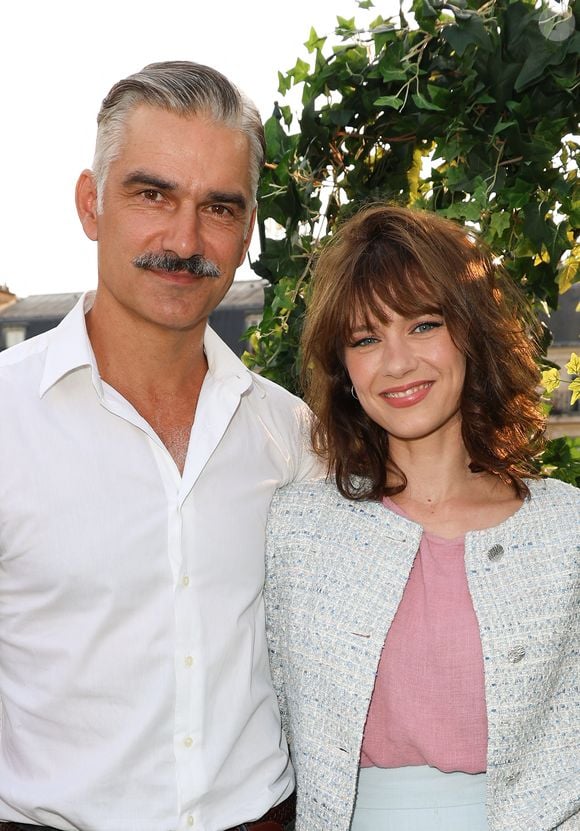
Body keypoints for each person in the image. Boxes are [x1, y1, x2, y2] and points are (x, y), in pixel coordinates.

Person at [0, 61, 318, 831]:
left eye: (219, 207)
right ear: (91, 203)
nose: (185, 239)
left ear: (246, 231)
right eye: (154, 194)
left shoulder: (292, 434)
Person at [264, 205, 579, 831]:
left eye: (423, 325)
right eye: (366, 338)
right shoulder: (296, 531)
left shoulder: (567, 533)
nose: (398, 362)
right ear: (345, 370)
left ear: (470, 334)